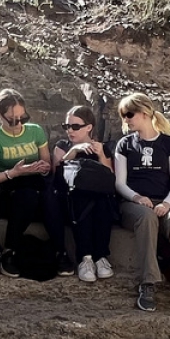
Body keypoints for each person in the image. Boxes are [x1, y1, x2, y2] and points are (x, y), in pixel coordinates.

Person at [113, 94, 170, 317]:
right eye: (123, 116)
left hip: (166, 201)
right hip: (134, 204)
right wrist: (136, 197)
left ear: (144, 113)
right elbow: (120, 183)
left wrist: (166, 204)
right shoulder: (124, 144)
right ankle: (148, 283)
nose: (126, 119)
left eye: (129, 114)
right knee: (147, 217)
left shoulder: (169, 144)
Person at [0, 89, 66, 278]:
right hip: (8, 189)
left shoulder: (36, 131)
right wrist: (13, 173)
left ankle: (61, 251)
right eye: (12, 119)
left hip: (35, 185)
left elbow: (47, 166)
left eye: (22, 118)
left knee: (47, 194)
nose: (18, 124)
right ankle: (10, 250)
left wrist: (41, 167)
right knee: (28, 195)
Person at [57, 105, 117, 281]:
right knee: (82, 197)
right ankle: (86, 257)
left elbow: (110, 179)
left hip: (99, 199)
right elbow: (57, 171)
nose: (70, 130)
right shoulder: (63, 146)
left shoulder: (102, 148)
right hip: (71, 199)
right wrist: (74, 150)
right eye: (67, 126)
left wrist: (100, 155)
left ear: (89, 127)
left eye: (75, 126)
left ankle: (100, 256)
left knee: (101, 199)